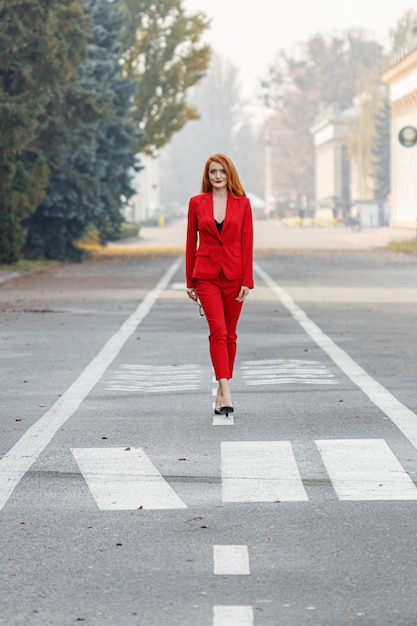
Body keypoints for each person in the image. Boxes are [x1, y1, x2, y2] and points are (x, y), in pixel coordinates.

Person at [185, 153, 254, 416]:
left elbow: (247, 243)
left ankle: (219, 392)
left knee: (231, 334)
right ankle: (226, 390)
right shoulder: (196, 203)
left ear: (229, 175)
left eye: (221, 172)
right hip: (206, 276)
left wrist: (247, 280)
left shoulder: (243, 204)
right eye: (213, 172)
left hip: (235, 276)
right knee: (218, 332)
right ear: (207, 175)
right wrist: (189, 280)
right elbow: (191, 243)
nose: (217, 176)